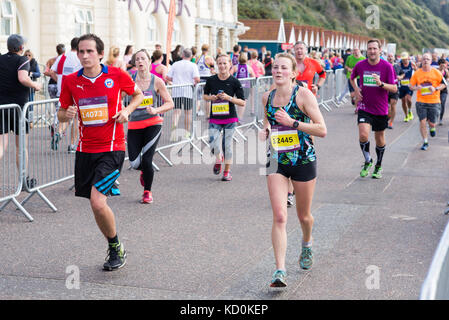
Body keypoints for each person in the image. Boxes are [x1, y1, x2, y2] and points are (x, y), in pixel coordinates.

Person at [57, 33, 144, 271]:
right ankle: (114, 244)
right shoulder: (71, 80)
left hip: (112, 147)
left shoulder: (116, 75)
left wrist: (126, 110)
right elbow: (61, 112)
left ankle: (116, 248)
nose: (84, 56)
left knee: (97, 202)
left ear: (100, 54)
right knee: (95, 204)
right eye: (81, 52)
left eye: (89, 52)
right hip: (85, 150)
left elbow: (138, 94)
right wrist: (67, 115)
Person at [259, 52, 327, 287]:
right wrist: (266, 130)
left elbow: (322, 129)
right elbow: (268, 119)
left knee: (303, 216)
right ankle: (280, 270)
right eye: (275, 67)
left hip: (304, 160)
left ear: (293, 73)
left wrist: (293, 123)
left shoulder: (303, 95)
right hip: (277, 160)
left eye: (283, 68)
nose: (278, 71)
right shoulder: (266, 96)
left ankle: (307, 243)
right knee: (279, 216)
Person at [128, 49, 174, 203]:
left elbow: (170, 103)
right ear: (135, 63)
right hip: (134, 125)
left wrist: (156, 110)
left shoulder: (157, 81)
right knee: (134, 163)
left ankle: (147, 192)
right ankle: (145, 172)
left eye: (143, 58)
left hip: (153, 123)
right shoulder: (130, 80)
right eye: (137, 59)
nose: (140, 61)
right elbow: (118, 98)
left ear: (148, 61)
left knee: (147, 160)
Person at [351, 39, 398, 179]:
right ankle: (367, 160)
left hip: (380, 108)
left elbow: (394, 88)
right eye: (369, 48)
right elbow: (352, 78)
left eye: (374, 48)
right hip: (364, 106)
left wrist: (381, 84)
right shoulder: (360, 65)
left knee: (379, 138)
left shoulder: (387, 66)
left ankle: (378, 165)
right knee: (363, 134)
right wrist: (356, 90)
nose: (372, 51)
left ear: (379, 50)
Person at [0, 34, 42, 188]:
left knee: (1, 146)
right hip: (19, 109)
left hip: (2, 106)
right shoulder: (22, 60)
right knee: (21, 146)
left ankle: (24, 179)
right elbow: (23, 78)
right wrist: (35, 85)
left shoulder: (1, 59)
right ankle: (23, 180)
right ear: (21, 48)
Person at [203, 54, 246, 181]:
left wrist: (229, 98)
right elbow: (205, 96)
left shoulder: (234, 82)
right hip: (215, 117)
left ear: (230, 65)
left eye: (224, 63)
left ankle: (227, 172)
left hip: (230, 118)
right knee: (212, 142)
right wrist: (211, 97)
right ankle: (218, 157)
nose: (222, 66)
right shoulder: (211, 80)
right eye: (220, 63)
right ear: (217, 65)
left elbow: (242, 102)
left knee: (227, 145)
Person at [50, 37, 82, 152]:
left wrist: (59, 81)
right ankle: (72, 144)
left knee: (66, 115)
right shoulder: (80, 57)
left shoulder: (62, 56)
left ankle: (58, 132)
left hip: (62, 91)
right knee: (76, 118)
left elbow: (51, 71)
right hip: (76, 91)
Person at [410, 52, 446, 150]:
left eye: (427, 59)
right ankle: (425, 142)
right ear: (421, 61)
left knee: (432, 122)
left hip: (434, 101)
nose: (425, 60)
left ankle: (432, 126)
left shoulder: (436, 72)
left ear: (431, 61)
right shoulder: (417, 73)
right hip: (421, 101)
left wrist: (436, 88)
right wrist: (416, 87)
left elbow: (444, 85)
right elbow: (411, 86)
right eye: (424, 59)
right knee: (422, 122)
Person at [166, 48, 200, 139]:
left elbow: (168, 77)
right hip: (188, 91)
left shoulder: (175, 64)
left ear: (182, 55)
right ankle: (187, 133)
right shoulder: (193, 65)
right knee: (188, 113)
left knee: (176, 112)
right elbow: (197, 79)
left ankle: (173, 132)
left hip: (177, 90)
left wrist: (176, 80)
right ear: (191, 56)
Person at [397, 52, 416, 122]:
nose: (404, 60)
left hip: (409, 85)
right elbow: (396, 72)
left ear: (408, 58)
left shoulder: (412, 64)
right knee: (403, 101)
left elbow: (417, 71)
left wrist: (415, 69)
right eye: (403, 59)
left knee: (408, 99)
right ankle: (406, 115)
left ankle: (410, 110)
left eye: (405, 59)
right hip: (401, 85)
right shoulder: (399, 64)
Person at [386, 52, 401, 129]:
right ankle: (387, 118)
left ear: (394, 58)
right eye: (389, 56)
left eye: (391, 56)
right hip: (386, 88)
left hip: (395, 88)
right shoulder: (384, 65)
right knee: (388, 107)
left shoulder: (397, 66)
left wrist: (400, 77)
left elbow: (402, 74)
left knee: (393, 104)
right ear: (387, 58)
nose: (390, 58)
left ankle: (391, 122)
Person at [437, 58, 448, 125]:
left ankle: (440, 119)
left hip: (444, 91)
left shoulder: (446, 71)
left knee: (442, 104)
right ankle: (434, 116)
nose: (443, 66)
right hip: (437, 90)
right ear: (439, 65)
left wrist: (447, 80)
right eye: (441, 65)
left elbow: (447, 78)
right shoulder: (436, 71)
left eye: (444, 64)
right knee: (437, 104)